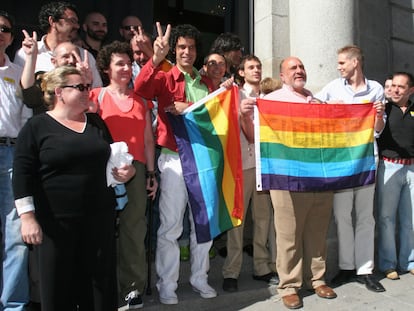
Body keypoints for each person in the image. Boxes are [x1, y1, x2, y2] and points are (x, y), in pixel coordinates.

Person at [12, 66, 135, 311]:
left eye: (87, 87)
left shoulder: (96, 123)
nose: (86, 92)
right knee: (58, 289)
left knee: (99, 287)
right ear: (59, 92)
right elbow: (22, 174)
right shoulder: (37, 127)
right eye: (79, 87)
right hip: (55, 224)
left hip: (99, 219)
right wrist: (27, 217)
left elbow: (114, 160)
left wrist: (126, 173)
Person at [241, 56, 337, 309]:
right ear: (282, 77)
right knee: (289, 235)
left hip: (318, 178)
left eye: (302, 67)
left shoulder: (317, 101)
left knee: (317, 231)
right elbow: (253, 136)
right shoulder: (270, 102)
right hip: (286, 179)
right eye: (293, 68)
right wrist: (243, 116)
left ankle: (316, 279)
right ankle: (289, 286)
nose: (299, 70)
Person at [134, 22, 217, 305]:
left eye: (191, 47)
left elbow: (216, 119)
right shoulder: (165, 77)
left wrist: (188, 109)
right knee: (170, 227)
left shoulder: (206, 82)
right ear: (175, 49)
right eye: (181, 47)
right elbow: (141, 88)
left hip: (204, 159)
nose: (187, 51)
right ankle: (167, 284)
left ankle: (199, 278)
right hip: (173, 159)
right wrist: (155, 58)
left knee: (202, 224)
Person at [90, 40, 157, 309]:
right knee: (101, 229)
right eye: (120, 63)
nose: (127, 68)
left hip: (136, 170)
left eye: (129, 63)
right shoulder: (95, 97)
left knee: (133, 229)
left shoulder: (141, 100)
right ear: (107, 68)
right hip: (102, 169)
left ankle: (132, 288)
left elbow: (149, 140)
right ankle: (101, 285)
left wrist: (151, 174)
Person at [315, 45, 386, 292]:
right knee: (342, 214)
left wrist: (378, 114)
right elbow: (313, 106)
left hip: (367, 157)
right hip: (340, 161)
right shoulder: (333, 88)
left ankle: (365, 270)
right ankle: (346, 267)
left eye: (342, 63)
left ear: (355, 62)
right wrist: (328, 107)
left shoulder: (376, 89)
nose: (338, 67)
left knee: (366, 215)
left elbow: (378, 129)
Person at [222, 55, 276, 293]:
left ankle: (262, 267)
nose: (256, 70)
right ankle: (231, 271)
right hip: (240, 165)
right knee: (238, 219)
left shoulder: (269, 98)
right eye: (251, 67)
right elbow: (221, 124)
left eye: (258, 67)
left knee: (264, 217)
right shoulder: (232, 94)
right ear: (241, 72)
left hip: (263, 166)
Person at [0, 10, 32, 311]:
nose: (1, 32)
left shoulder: (15, 71)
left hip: (11, 153)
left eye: (5, 29)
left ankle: (13, 306)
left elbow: (24, 118)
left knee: (16, 236)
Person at [376, 71, 414, 280]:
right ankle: (388, 264)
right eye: (393, 86)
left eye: (401, 86)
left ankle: (409, 261)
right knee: (386, 218)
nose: (395, 90)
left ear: (411, 90)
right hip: (389, 167)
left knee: (411, 219)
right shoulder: (384, 109)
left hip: (412, 169)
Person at [14, 1, 102, 87]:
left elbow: (96, 92)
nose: (77, 26)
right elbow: (18, 90)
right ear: (52, 21)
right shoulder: (26, 53)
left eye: (77, 22)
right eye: (72, 21)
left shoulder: (85, 56)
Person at [21, 33, 94, 114]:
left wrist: (86, 82)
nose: (71, 60)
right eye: (65, 56)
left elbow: (87, 107)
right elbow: (29, 97)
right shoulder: (44, 79)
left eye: (75, 56)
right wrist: (31, 56)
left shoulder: (84, 83)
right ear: (54, 61)